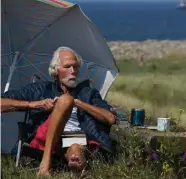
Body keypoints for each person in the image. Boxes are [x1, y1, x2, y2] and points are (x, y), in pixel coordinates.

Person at [1, 46, 116, 176]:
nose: (73, 71)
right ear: (56, 70)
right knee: (65, 101)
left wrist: (78, 103)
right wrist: (33, 104)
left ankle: (74, 163)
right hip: (46, 136)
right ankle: (46, 164)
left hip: (77, 138)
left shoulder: (88, 93)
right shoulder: (40, 89)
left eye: (76, 67)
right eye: (67, 67)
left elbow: (110, 118)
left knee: (75, 151)